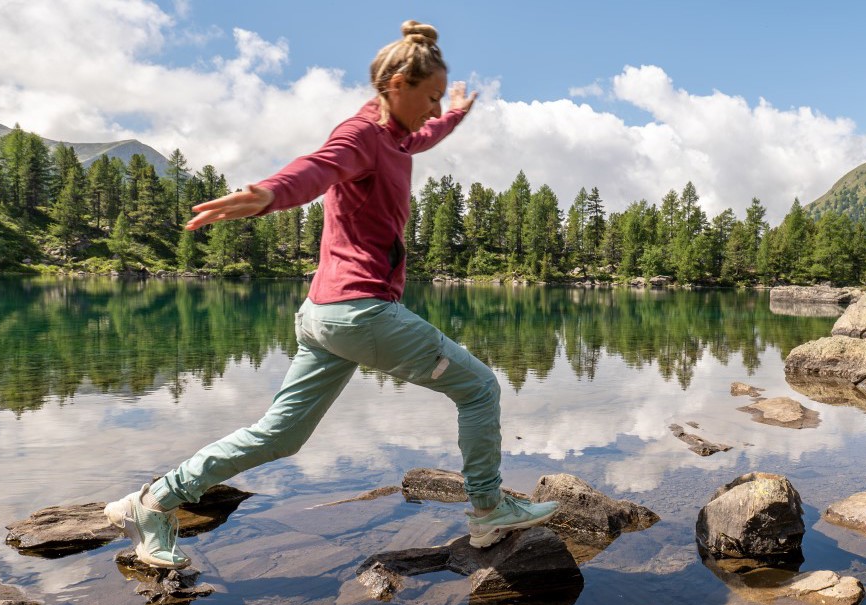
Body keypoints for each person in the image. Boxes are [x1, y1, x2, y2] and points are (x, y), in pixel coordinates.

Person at [104, 20, 559, 569]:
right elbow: (319, 168)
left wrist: (455, 114)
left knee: (279, 435)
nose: (434, 108)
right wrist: (270, 193)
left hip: (323, 315)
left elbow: (422, 136)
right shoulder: (362, 134)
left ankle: (152, 502)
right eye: (430, 96)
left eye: (441, 97)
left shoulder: (396, 137)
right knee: (481, 389)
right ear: (396, 84)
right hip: (361, 312)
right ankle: (488, 509)